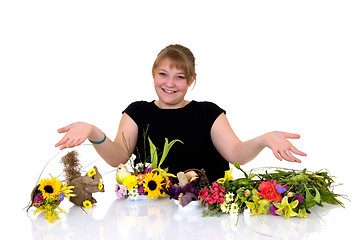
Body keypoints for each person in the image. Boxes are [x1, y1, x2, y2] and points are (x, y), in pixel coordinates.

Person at [55, 44, 306, 182]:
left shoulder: (208, 113)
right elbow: (117, 158)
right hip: (152, 214)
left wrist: (263, 139)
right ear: (153, 74)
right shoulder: (137, 112)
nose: (170, 83)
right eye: (163, 74)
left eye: (180, 77)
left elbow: (235, 153)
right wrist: (92, 131)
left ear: (192, 80)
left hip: (207, 210)